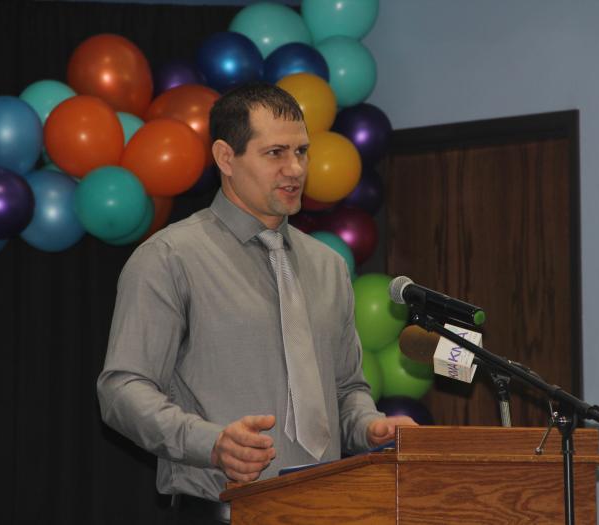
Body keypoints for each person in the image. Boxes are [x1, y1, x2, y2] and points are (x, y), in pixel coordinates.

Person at [97, 83, 415, 524]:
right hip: (222, 511)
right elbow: (121, 389)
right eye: (275, 153)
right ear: (226, 158)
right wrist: (210, 442)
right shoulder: (170, 259)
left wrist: (368, 426)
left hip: (330, 509)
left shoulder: (327, 265)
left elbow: (346, 390)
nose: (295, 169)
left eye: (301, 152)